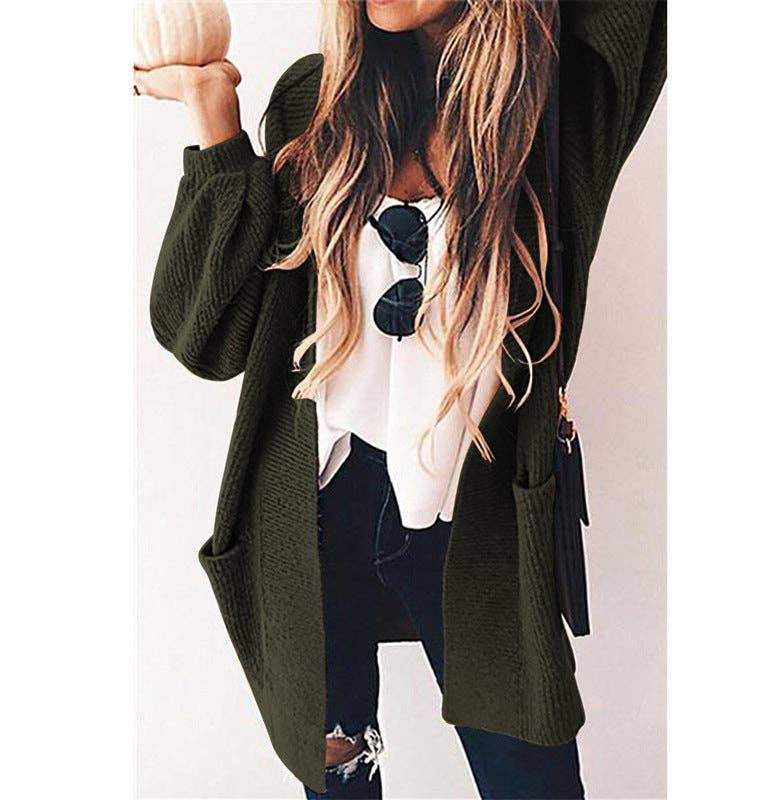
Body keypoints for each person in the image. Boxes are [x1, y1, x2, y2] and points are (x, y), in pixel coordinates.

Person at [135, 1, 666, 797]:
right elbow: (202, 335)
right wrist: (217, 126)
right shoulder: (315, 102)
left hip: (476, 511)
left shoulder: (557, 108)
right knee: (339, 770)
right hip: (317, 510)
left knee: (532, 779)